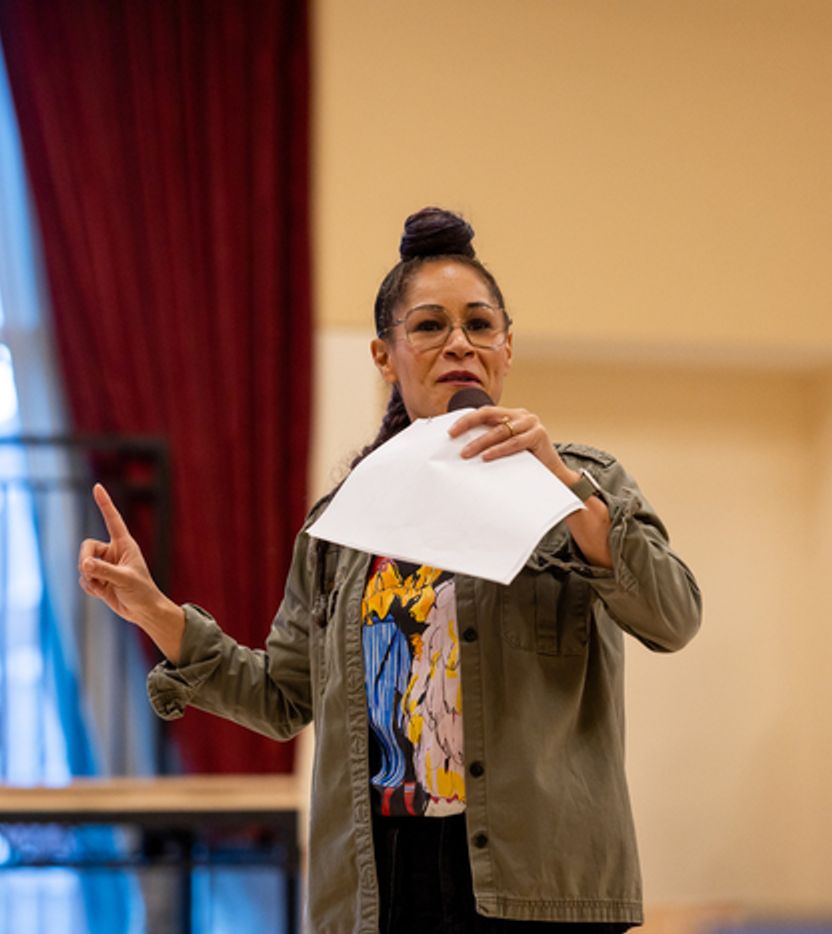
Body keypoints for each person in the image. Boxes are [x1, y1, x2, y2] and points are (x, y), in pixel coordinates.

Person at [79, 207, 703, 932]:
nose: (458, 344)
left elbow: (674, 616)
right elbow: (283, 697)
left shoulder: (581, 485)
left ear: (507, 347)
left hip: (538, 884)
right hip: (383, 883)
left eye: (479, 324)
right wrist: (156, 611)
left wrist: (563, 490)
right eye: (430, 326)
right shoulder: (342, 524)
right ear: (386, 355)